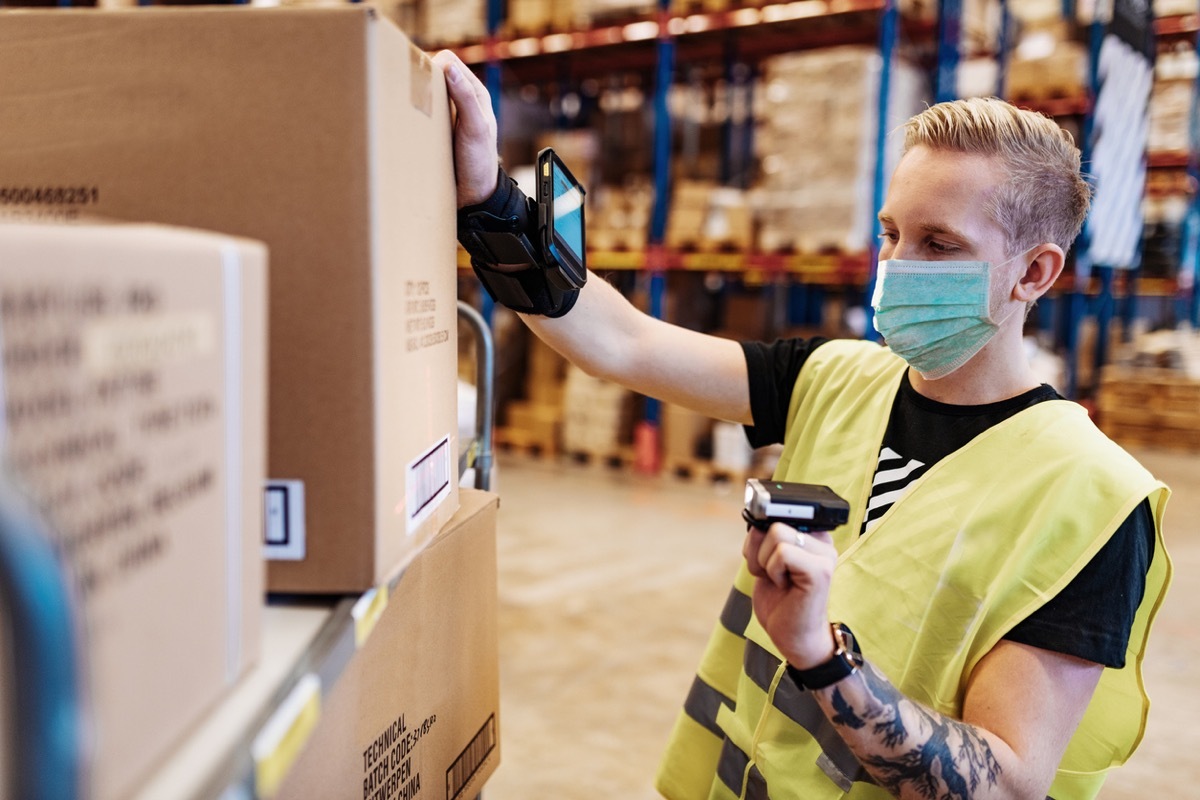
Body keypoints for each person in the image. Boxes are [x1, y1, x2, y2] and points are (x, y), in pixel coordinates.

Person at [433, 50, 1172, 800]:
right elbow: (622, 343)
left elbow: (1008, 784)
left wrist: (823, 658)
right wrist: (490, 200)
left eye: (939, 244)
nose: (897, 265)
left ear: (1035, 273)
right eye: (891, 233)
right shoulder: (833, 377)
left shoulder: (1093, 498)